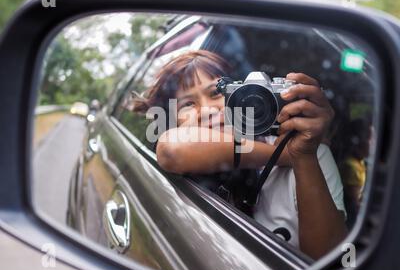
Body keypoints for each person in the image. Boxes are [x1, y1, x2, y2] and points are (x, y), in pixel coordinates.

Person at [133, 50, 347, 259]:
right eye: (188, 104)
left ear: (242, 92)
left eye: (216, 92)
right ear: (173, 121)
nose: (207, 110)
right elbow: (173, 149)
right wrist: (285, 156)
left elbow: (330, 261)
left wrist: (304, 157)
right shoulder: (289, 153)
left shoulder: (312, 156)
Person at [340, 118, 372, 226]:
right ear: (356, 141)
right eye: (370, 138)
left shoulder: (361, 161)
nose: (373, 142)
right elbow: (356, 203)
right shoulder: (350, 167)